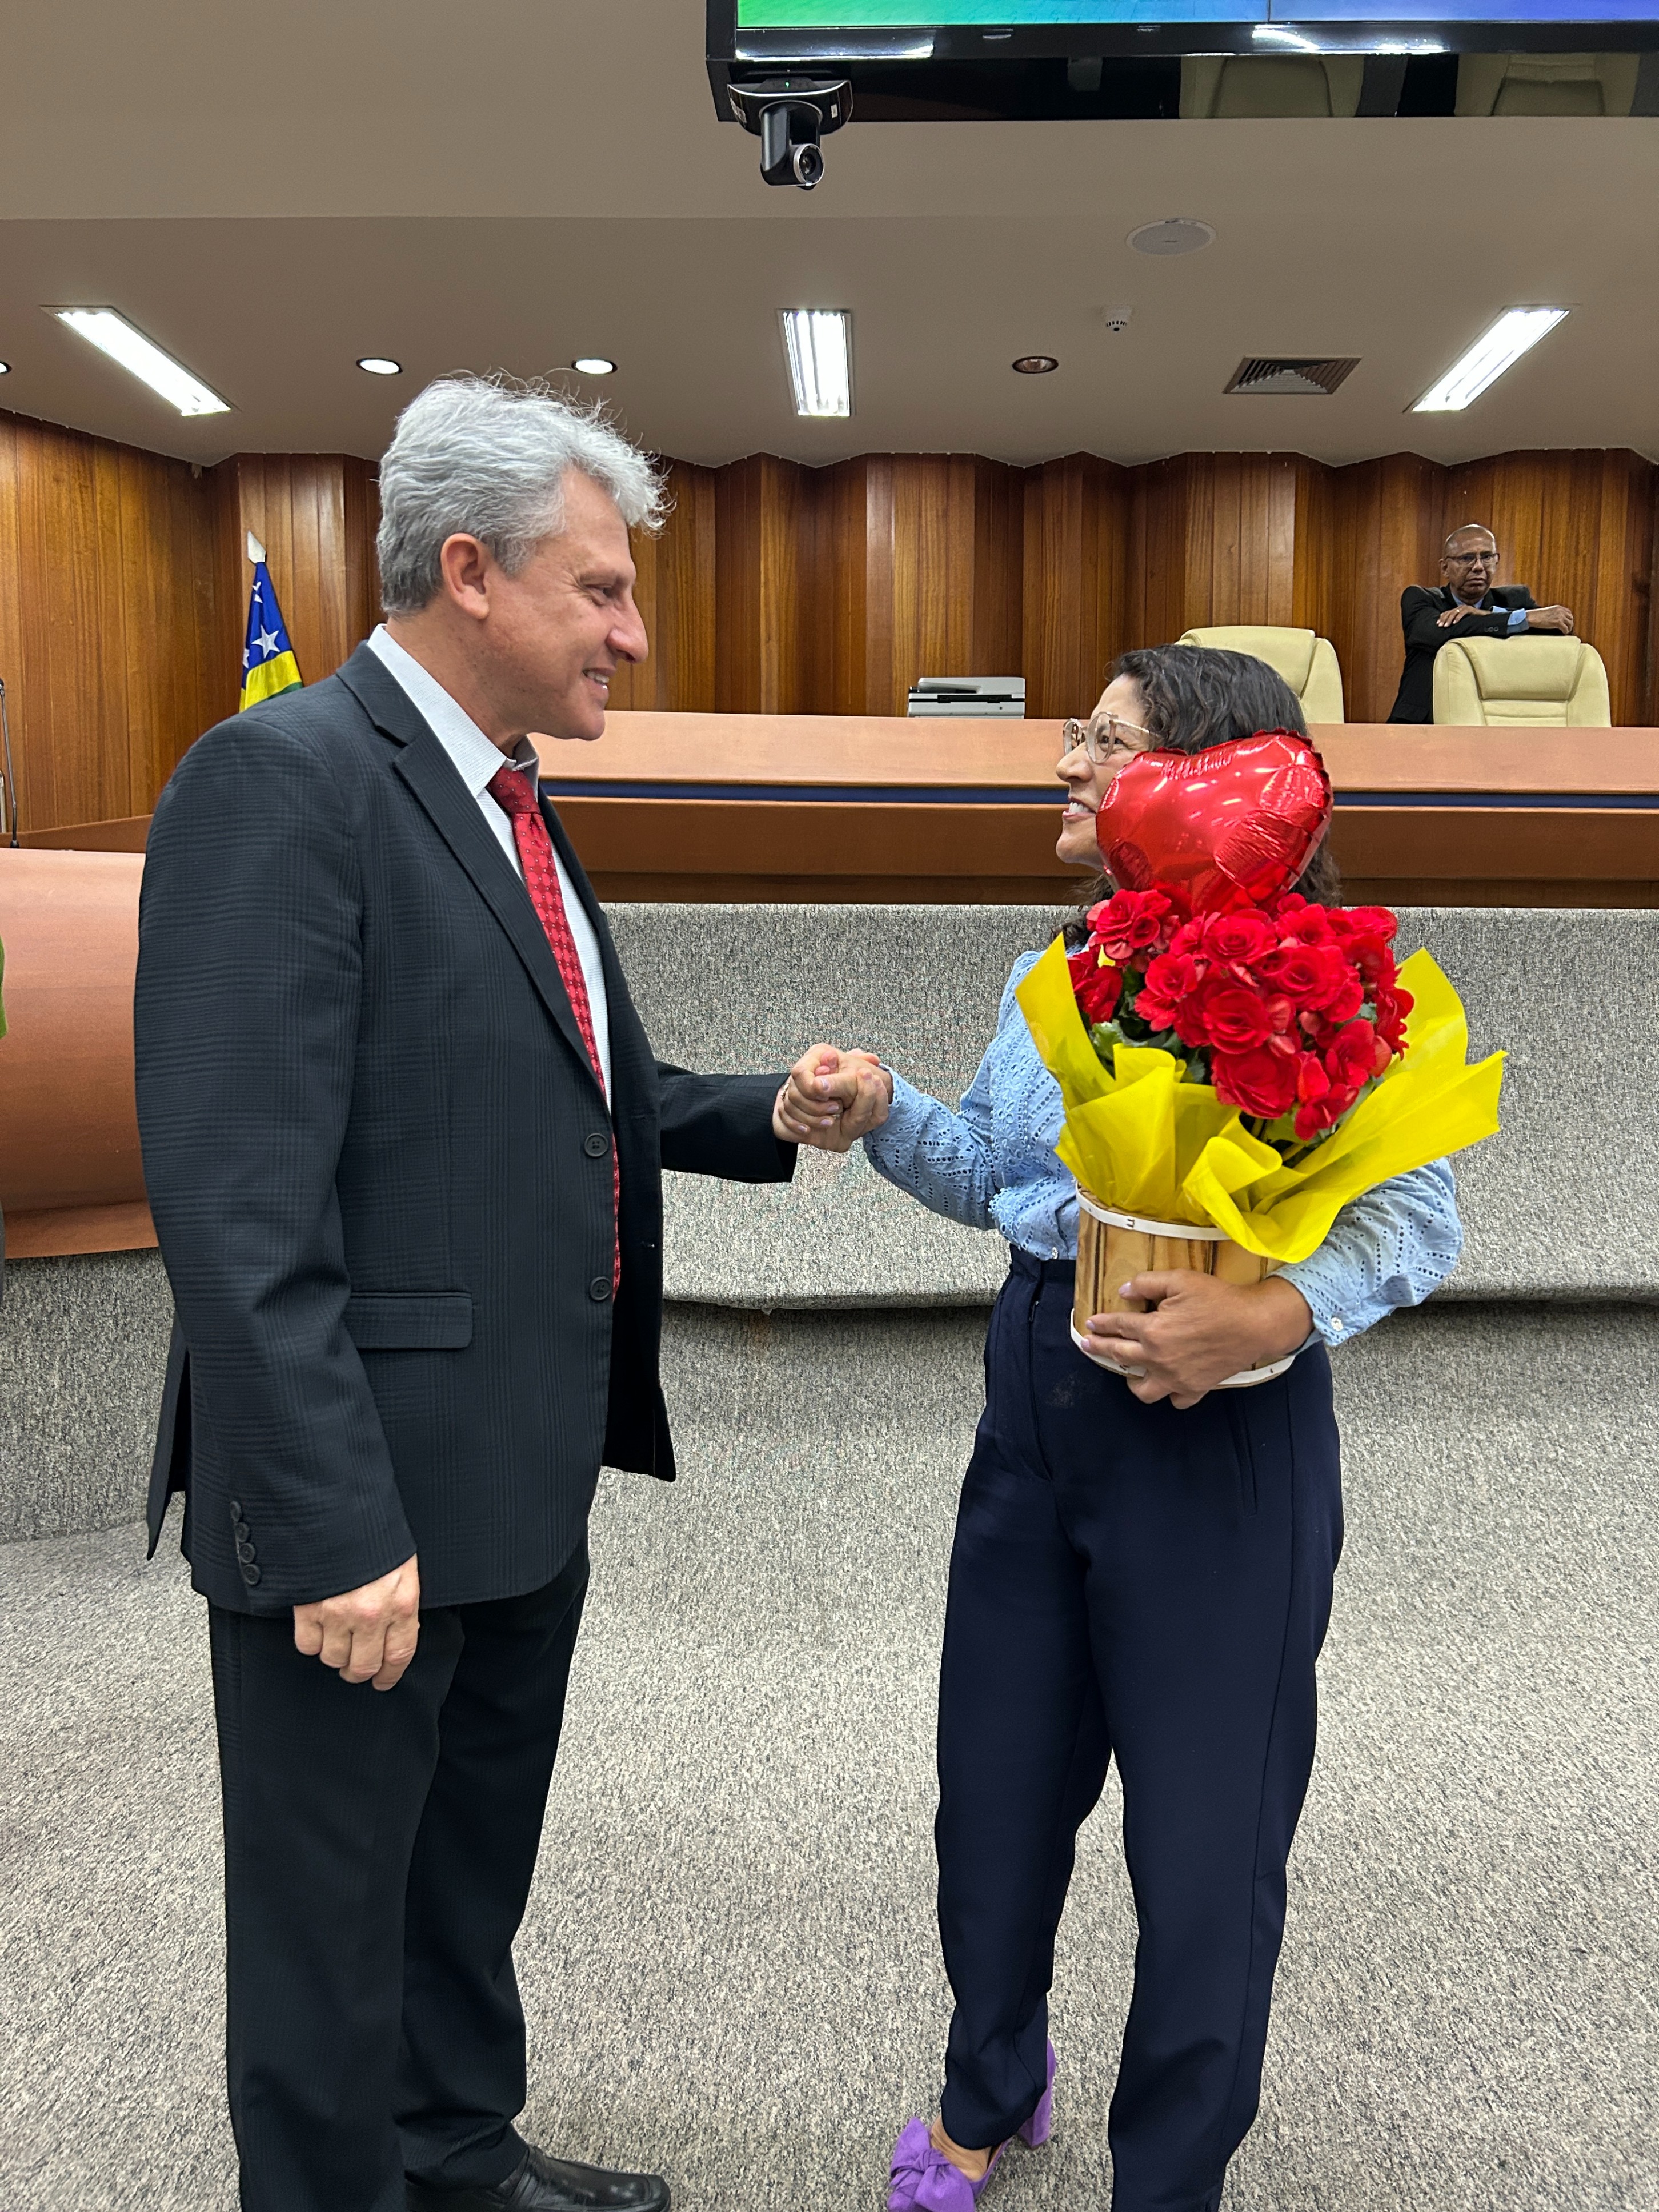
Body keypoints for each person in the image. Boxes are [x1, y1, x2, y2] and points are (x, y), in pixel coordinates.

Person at [134, 374, 888, 2212]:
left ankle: (456, 2156)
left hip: (515, 1479)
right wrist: (331, 1526)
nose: (632, 633)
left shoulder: (503, 800)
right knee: (328, 1933)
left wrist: (759, 1113)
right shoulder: (281, 779)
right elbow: (239, 1205)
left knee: (462, 1875)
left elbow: (568, 1078)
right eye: (600, 590)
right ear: (467, 572)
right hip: (362, 1506)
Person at [779, 645, 1465, 2212]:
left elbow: (1416, 1222)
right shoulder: (1062, 965)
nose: (1064, 763)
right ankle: (990, 2085)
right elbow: (1002, 1181)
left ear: (1217, 782)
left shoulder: (1340, 980)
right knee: (993, 1799)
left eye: (1103, 739)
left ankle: (1168, 2179)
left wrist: (1267, 1317)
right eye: (1073, 736)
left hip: (1218, 1443)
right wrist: (884, 1112)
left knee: (1205, 1852)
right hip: (1036, 1399)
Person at [1388, 522, 1574, 723]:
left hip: (1493, 721)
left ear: (1497, 561)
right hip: (1423, 722)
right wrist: (1520, 620)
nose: (1478, 567)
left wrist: (1483, 614)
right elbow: (1435, 633)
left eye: (1486, 557)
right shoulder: (1421, 598)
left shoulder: (1516, 599)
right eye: (1467, 558)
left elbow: (1558, 628)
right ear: (1445, 568)